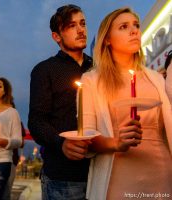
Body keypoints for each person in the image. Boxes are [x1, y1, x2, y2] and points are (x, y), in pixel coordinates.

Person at [81, 7, 172, 200]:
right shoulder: (91, 81)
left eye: (136, 25)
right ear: (107, 39)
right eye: (124, 26)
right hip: (116, 172)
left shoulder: (157, 78)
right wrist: (115, 142)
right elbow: (87, 135)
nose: (134, 31)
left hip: (161, 171)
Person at [28, 4, 92, 200]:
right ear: (57, 36)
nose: (81, 30)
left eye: (83, 23)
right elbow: (37, 122)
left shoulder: (99, 68)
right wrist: (61, 143)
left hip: (102, 171)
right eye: (71, 26)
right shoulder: (45, 70)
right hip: (63, 177)